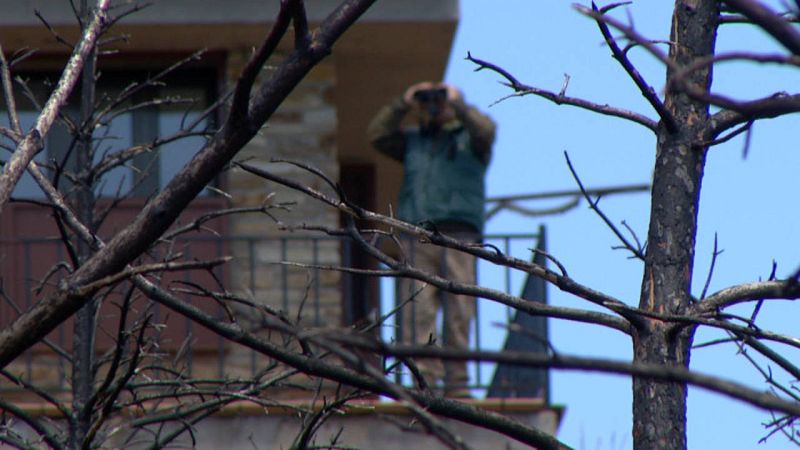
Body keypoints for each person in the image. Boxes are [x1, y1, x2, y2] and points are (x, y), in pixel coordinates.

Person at [367, 81, 496, 396]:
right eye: (431, 101)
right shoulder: (414, 142)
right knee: (416, 311)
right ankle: (425, 382)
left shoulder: (472, 140)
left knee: (459, 311)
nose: (436, 106)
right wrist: (405, 101)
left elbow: (486, 130)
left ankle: (458, 385)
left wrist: (460, 103)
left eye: (441, 100)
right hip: (416, 234)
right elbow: (378, 135)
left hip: (460, 235)